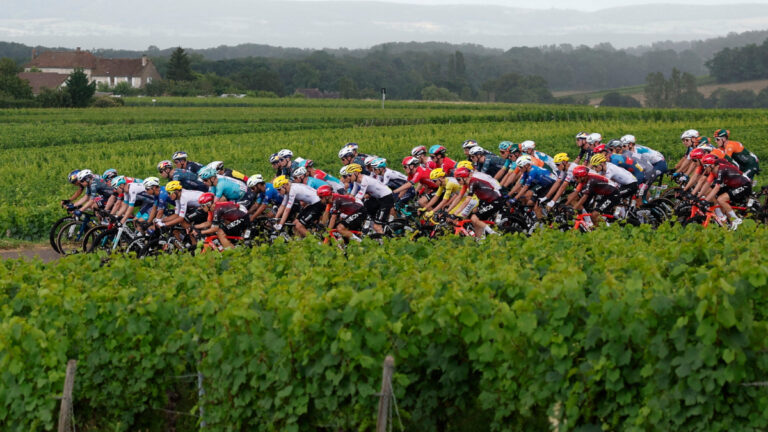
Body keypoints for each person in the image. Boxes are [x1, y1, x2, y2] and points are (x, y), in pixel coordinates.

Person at [702, 154, 750, 230]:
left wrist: (705, 201)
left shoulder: (720, 170)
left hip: (744, 185)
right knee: (716, 195)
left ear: (712, 165)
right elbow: (707, 185)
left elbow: (717, 188)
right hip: (734, 185)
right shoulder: (715, 171)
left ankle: (736, 219)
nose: (704, 169)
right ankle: (725, 219)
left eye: (705, 166)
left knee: (721, 199)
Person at [452, 167, 503, 237]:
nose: (458, 182)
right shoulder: (469, 183)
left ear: (465, 177)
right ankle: (480, 240)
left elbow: (467, 200)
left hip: (495, 200)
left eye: (458, 179)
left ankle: (495, 235)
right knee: (474, 220)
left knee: (474, 218)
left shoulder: (473, 182)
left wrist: (455, 213)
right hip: (487, 200)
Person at [347, 163, 395, 234]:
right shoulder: (356, 181)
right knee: (366, 209)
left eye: (349, 175)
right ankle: (374, 225)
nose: (348, 177)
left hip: (386, 197)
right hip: (377, 198)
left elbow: (360, 195)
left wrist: (352, 204)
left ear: (356, 173)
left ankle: (385, 240)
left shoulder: (364, 180)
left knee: (377, 226)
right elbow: (352, 193)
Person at [511, 155, 558, 220]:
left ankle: (543, 223)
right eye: (518, 167)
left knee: (536, 206)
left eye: (520, 167)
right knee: (530, 202)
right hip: (543, 184)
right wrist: (509, 195)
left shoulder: (532, 171)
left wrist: (515, 198)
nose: (519, 169)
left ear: (526, 165)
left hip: (551, 185)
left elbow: (525, 187)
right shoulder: (525, 171)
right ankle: (535, 217)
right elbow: (519, 184)